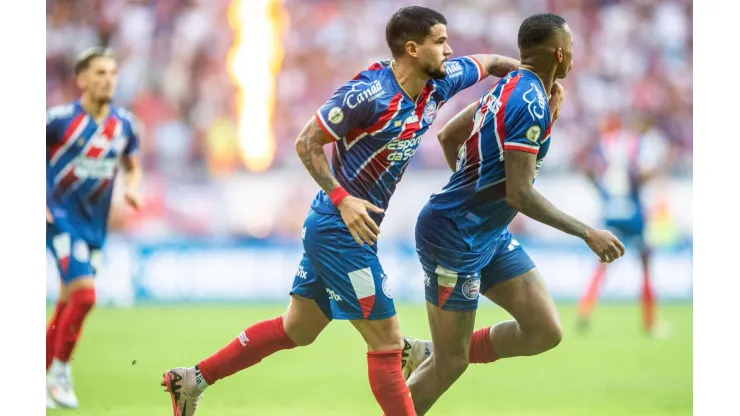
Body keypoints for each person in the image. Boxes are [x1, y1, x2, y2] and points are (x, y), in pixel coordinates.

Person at [161, 6, 523, 416]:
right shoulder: (367, 94)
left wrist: (532, 79)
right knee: (387, 343)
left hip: (345, 229)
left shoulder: (439, 82)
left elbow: (491, 63)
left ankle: (192, 379)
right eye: (439, 41)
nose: (449, 49)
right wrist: (342, 198)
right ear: (411, 48)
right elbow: (306, 142)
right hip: (339, 230)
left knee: (298, 328)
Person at [403, 13, 625, 414]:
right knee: (451, 366)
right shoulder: (531, 102)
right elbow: (520, 194)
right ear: (560, 54)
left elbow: (448, 135)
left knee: (544, 330)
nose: (574, 56)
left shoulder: (510, 86)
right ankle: (439, 358)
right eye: (572, 48)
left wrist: (476, 196)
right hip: (453, 237)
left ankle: (436, 349)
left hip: (484, 233)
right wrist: (587, 233)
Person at [46, 47, 142, 409]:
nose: (108, 79)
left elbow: (132, 164)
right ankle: (59, 374)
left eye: (112, 73)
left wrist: (134, 186)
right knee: (85, 296)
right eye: (100, 73)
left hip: (94, 227)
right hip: (58, 220)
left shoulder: (124, 125)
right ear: (82, 79)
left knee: (69, 301)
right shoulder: (57, 120)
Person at [576, 114, 676, 336]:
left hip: (611, 212)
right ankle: (650, 323)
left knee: (602, 264)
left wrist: (603, 195)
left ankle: (585, 310)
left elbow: (589, 170)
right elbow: (641, 174)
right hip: (632, 213)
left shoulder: (605, 145)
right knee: (645, 263)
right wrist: (663, 164)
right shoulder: (635, 144)